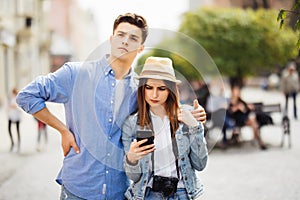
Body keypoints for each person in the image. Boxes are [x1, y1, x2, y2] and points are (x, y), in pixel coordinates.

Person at [16, 13, 206, 199]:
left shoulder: (139, 89)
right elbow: (27, 96)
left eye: (133, 38)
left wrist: (194, 115)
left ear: (140, 48)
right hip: (79, 187)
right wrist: (63, 130)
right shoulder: (76, 73)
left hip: (118, 190)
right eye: (120, 35)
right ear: (111, 39)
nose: (125, 41)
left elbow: (164, 109)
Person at [122, 57, 208, 200]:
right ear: (142, 89)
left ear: (170, 90)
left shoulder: (187, 117)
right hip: (148, 194)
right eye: (149, 87)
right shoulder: (131, 124)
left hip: (182, 194)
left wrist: (195, 127)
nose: (154, 94)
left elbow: (200, 165)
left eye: (161, 88)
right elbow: (134, 177)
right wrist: (131, 159)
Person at [227, 85, 267, 150]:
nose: (237, 92)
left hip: (245, 119)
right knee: (253, 123)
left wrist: (246, 108)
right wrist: (236, 108)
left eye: (237, 91)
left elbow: (246, 111)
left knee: (253, 123)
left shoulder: (241, 101)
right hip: (237, 120)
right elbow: (229, 112)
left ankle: (258, 140)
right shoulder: (230, 102)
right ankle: (258, 141)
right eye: (235, 91)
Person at [7, 87, 22, 152]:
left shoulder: (18, 99)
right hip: (11, 116)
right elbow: (7, 106)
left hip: (17, 116)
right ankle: (12, 142)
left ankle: (18, 143)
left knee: (17, 130)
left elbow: (20, 108)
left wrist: (15, 107)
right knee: (9, 129)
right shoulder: (10, 99)